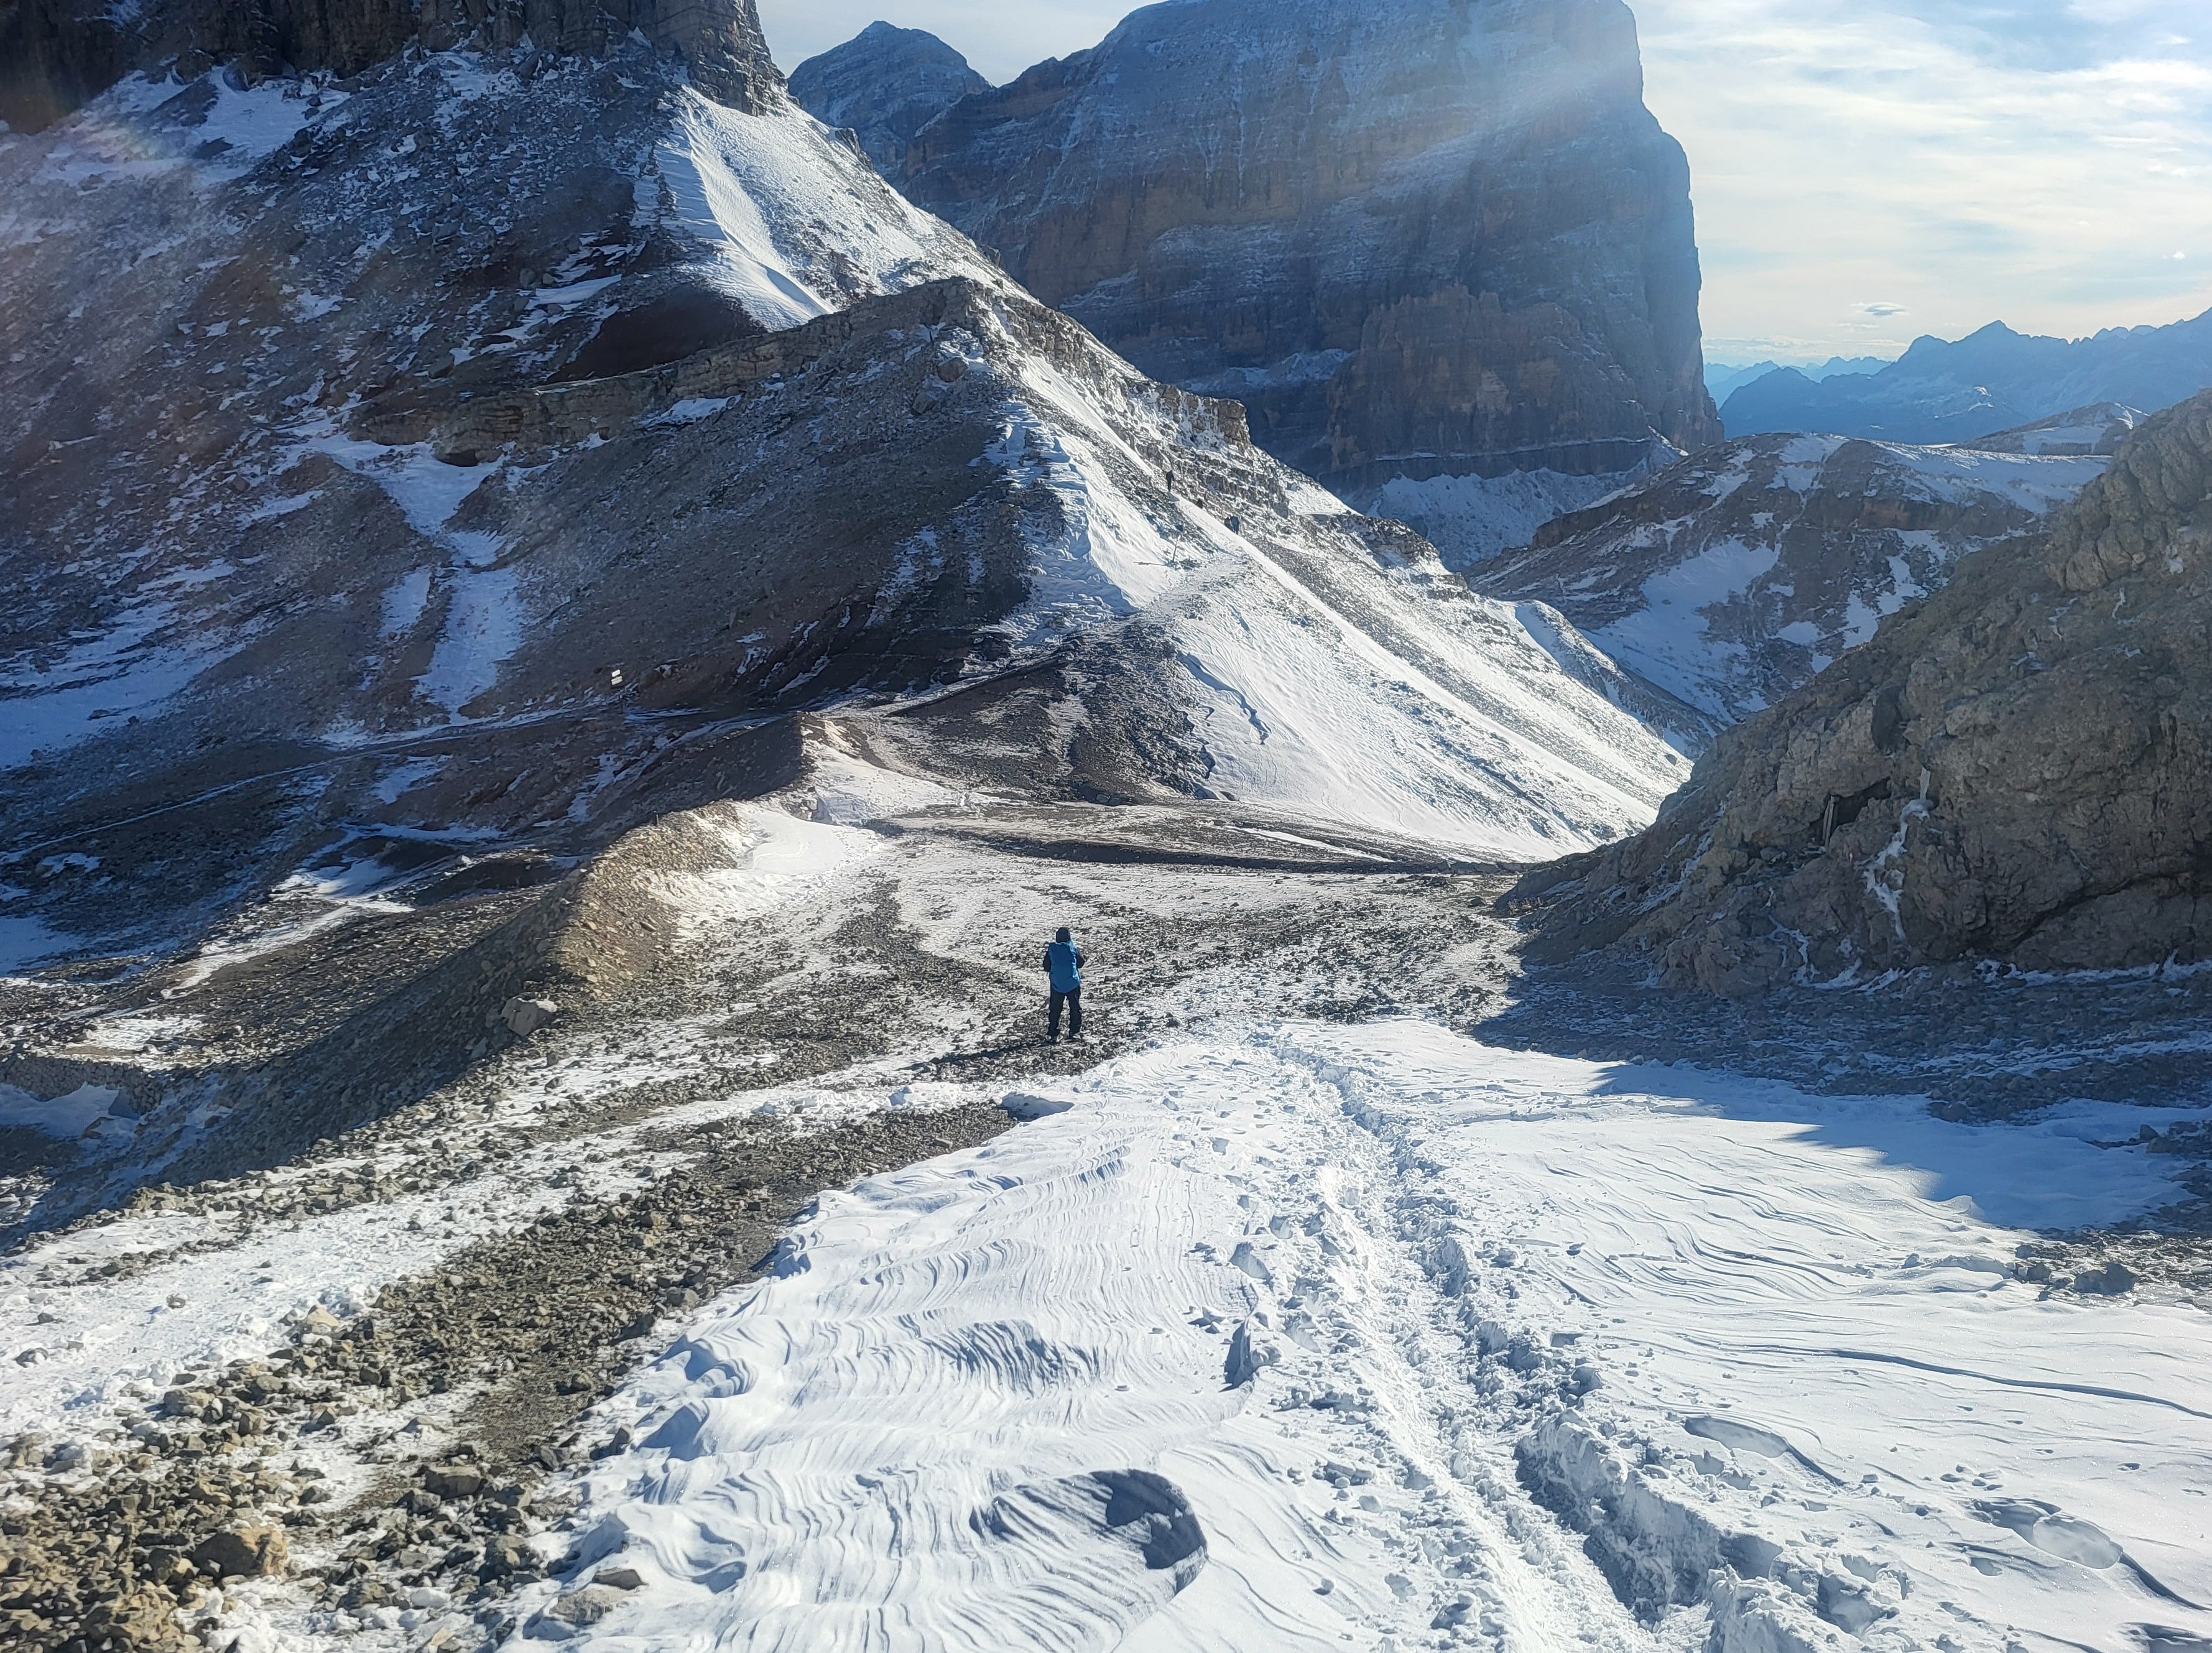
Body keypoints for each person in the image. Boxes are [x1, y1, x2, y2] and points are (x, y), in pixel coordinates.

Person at [1044, 926, 1083, 1042]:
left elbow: (1046, 966)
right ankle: (1074, 1032)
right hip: (1072, 982)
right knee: (1075, 1008)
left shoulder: (1052, 948)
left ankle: (1054, 1034)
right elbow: (1081, 962)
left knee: (1055, 1009)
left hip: (1057, 983)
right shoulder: (1073, 947)